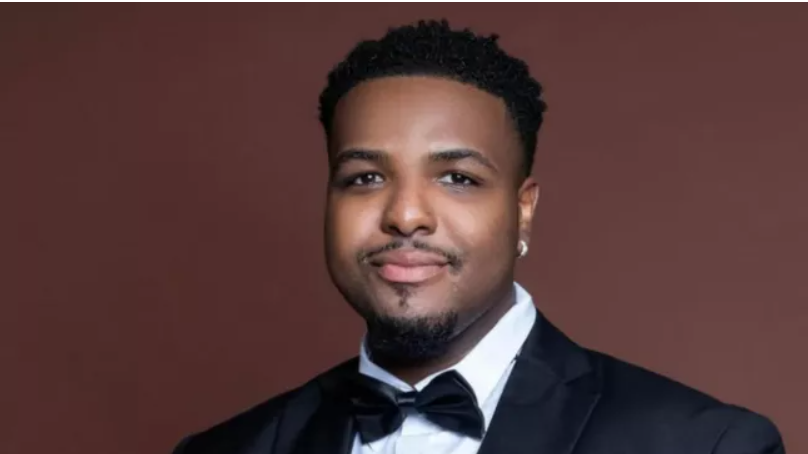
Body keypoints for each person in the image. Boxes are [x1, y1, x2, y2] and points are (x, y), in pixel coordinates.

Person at [172, 19, 785, 454]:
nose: (405, 215)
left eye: (457, 178)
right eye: (364, 178)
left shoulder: (705, 444)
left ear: (523, 211)